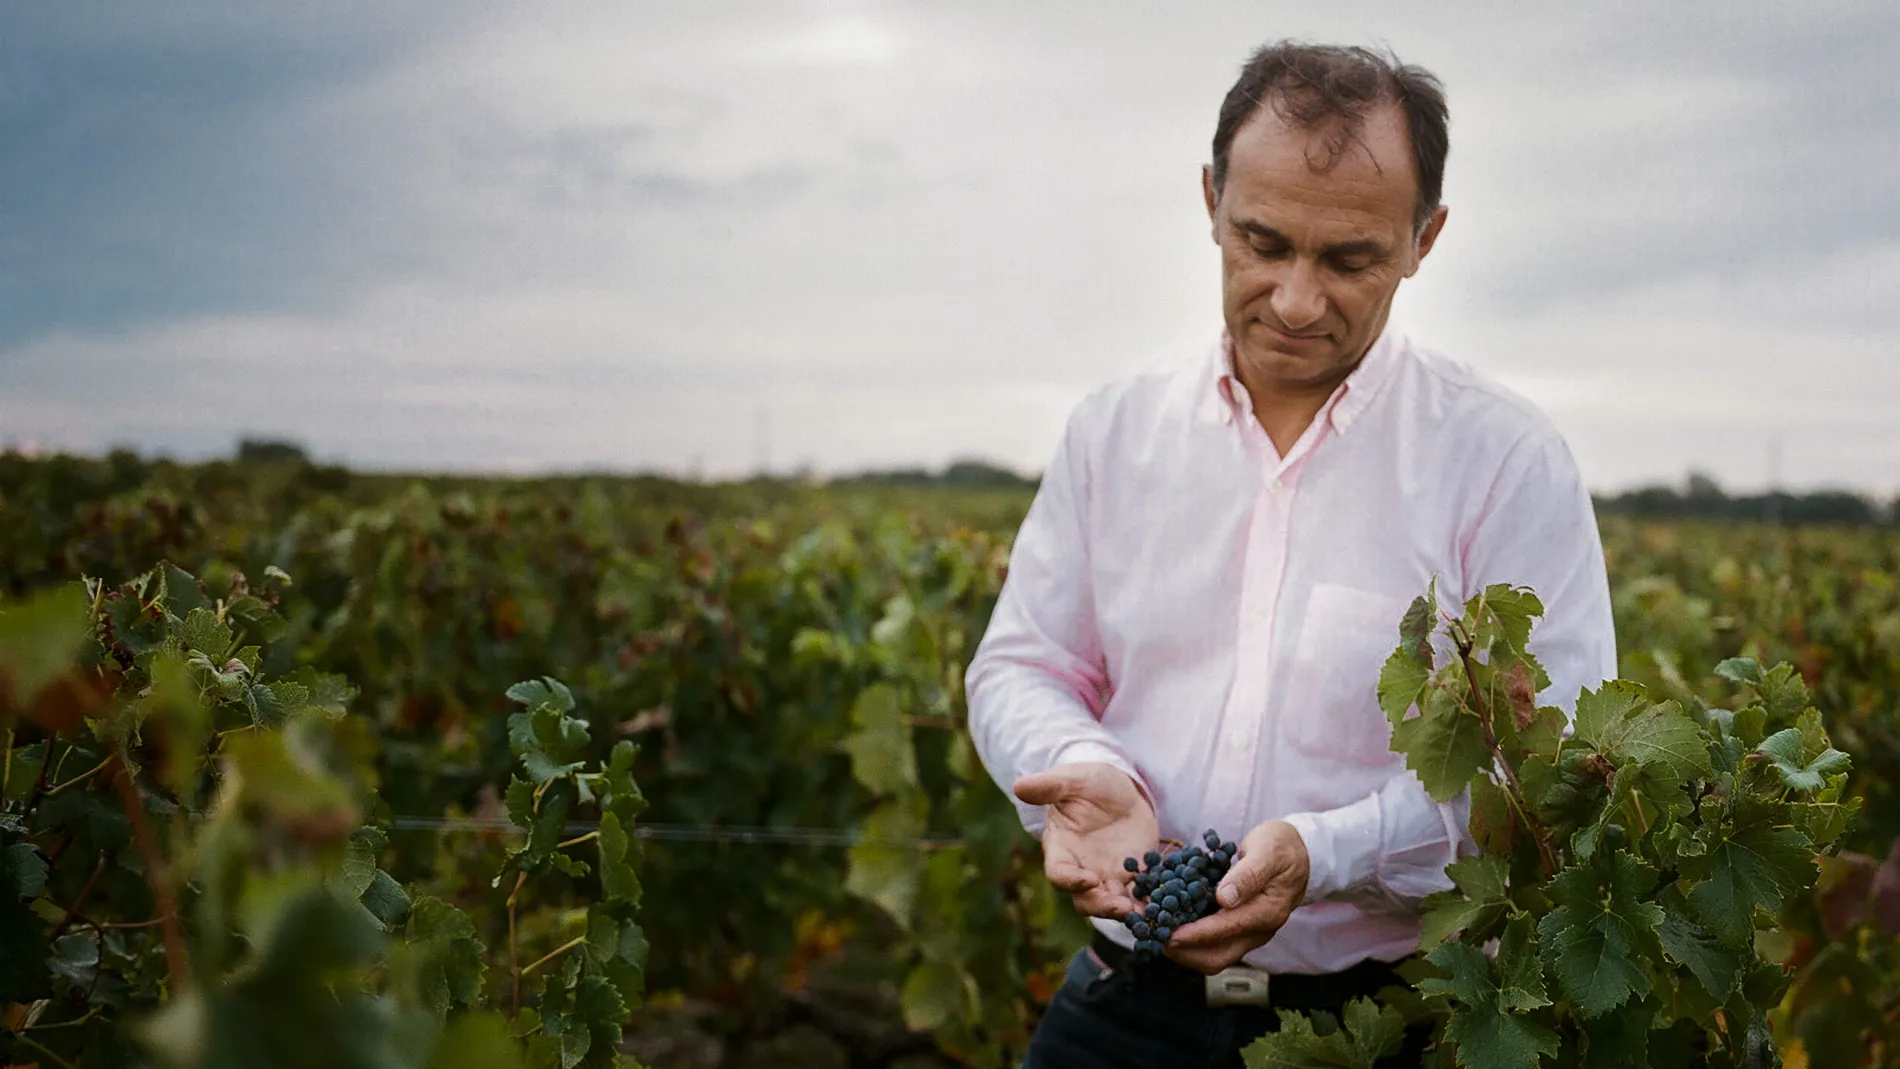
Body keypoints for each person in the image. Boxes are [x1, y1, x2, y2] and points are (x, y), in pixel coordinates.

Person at [964, 40, 1617, 1068]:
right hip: (1125, 996)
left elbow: (1540, 776)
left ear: (1425, 239)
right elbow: (1022, 665)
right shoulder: (1114, 432)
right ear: (1210, 200)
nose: (1297, 300)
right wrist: (1084, 767)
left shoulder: (1503, 462)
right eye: (1262, 243)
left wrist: (1325, 854)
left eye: (1348, 260)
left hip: (1384, 1021)